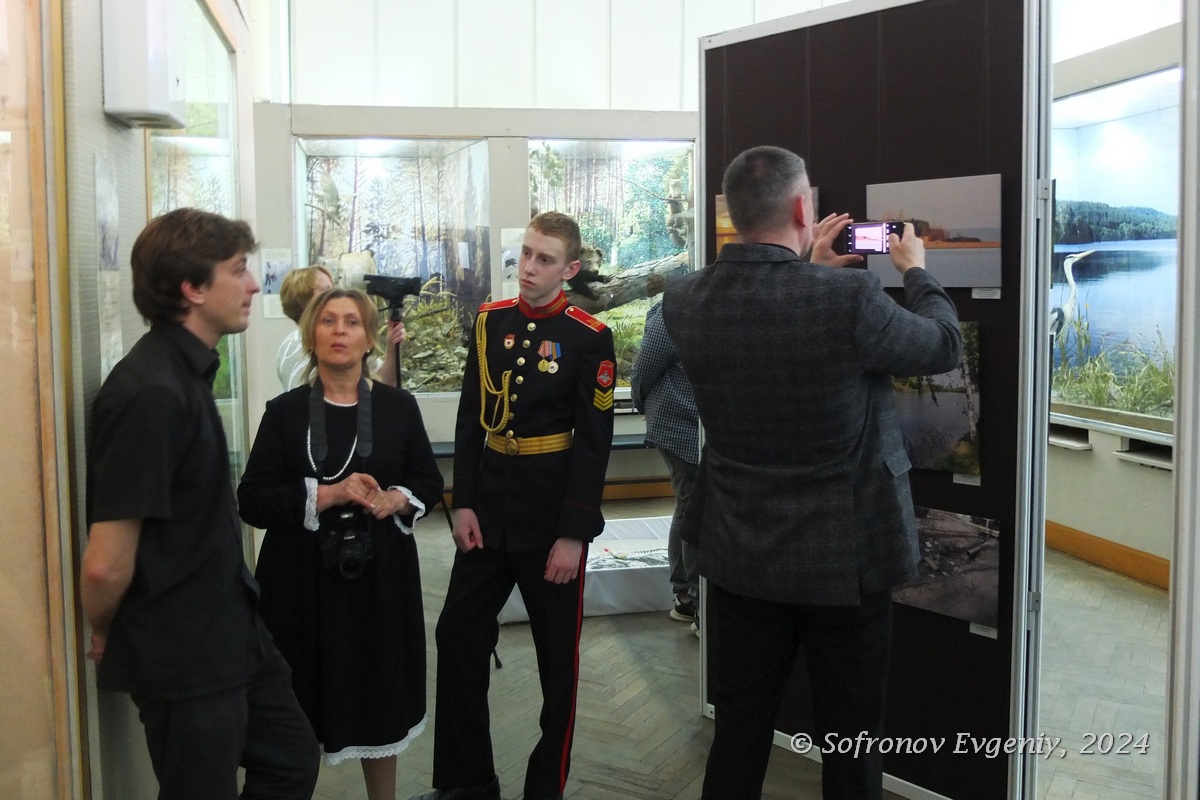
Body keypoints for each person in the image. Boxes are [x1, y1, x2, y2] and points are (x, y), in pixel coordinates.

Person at [661, 146, 962, 800]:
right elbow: (942, 344)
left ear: (735, 211)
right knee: (851, 743)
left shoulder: (685, 299)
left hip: (739, 556)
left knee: (739, 733)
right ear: (803, 208)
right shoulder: (848, 298)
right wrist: (915, 269)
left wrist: (807, 269)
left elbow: (771, 325)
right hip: (844, 563)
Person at [80, 207, 320, 800]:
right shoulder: (149, 393)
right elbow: (105, 562)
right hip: (183, 649)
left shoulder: (184, 375)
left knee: (291, 758)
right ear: (192, 288)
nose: (253, 284)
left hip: (232, 630)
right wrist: (105, 628)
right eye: (238, 270)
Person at [412, 212, 616, 800]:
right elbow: (470, 417)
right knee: (457, 639)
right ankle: (466, 785)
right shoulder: (491, 321)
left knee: (557, 666)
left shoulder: (588, 336)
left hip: (550, 521)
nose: (528, 267)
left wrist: (574, 534)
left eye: (544, 259)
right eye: (526, 253)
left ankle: (543, 791)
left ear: (569, 269)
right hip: (489, 513)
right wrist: (463, 502)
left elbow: (593, 441)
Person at [238, 288, 443, 800]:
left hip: (379, 581)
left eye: (352, 322)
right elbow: (252, 500)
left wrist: (398, 498)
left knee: (379, 696)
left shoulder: (398, 408)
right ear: (311, 334)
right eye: (328, 321)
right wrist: (327, 494)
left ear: (369, 338)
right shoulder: (284, 412)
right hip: (300, 583)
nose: (339, 331)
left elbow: (429, 481)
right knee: (296, 704)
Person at [629, 300, 701, 631]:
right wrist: (639, 402)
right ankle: (692, 599)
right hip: (678, 424)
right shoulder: (673, 308)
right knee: (692, 506)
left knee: (690, 506)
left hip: (704, 424)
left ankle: (689, 595)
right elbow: (644, 368)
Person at [277, 265, 406, 390]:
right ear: (305, 300)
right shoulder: (295, 346)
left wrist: (393, 348)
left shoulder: (348, 338)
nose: (334, 296)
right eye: (326, 290)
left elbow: (383, 385)